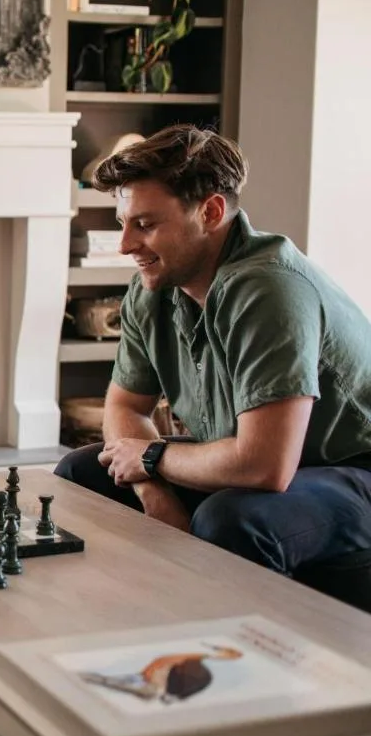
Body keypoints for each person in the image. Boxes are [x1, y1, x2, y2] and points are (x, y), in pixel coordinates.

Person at [54, 124, 371, 578]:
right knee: (80, 473)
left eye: (145, 225)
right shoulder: (154, 287)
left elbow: (265, 467)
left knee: (230, 520)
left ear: (211, 212)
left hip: (350, 471)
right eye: (122, 223)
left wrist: (150, 457)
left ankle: (220, 645)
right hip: (246, 459)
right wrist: (153, 490)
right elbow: (124, 405)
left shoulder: (269, 289)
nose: (125, 245)